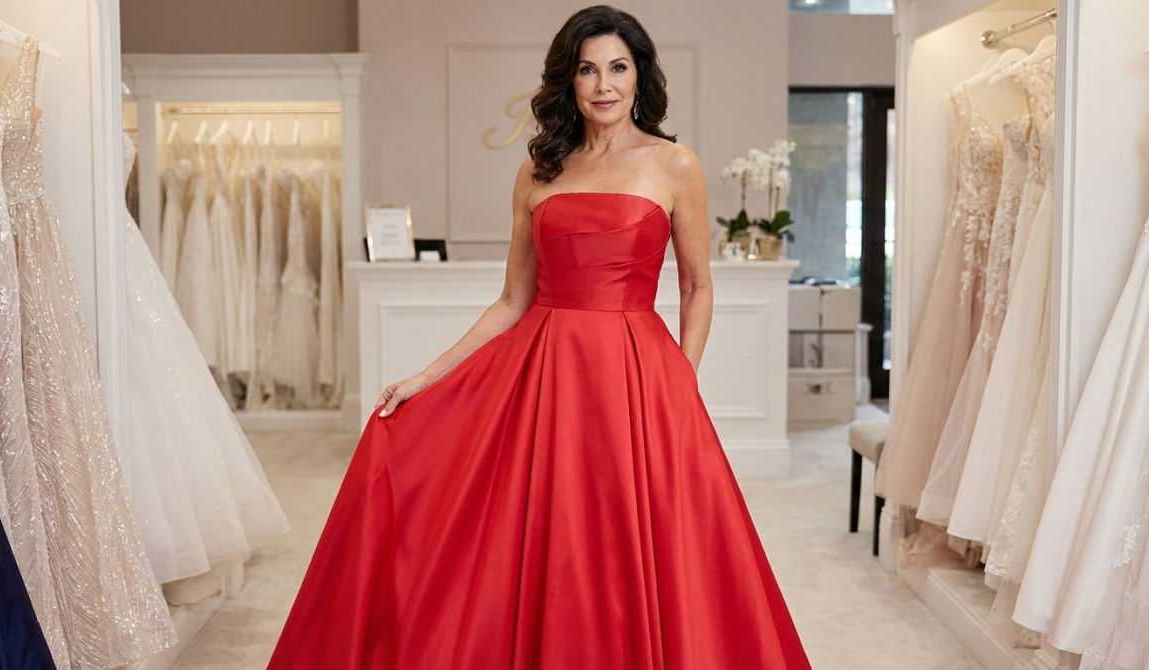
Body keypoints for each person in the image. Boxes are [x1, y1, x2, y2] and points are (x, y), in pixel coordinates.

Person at [268, 6, 811, 668]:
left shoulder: (676, 165)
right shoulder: (538, 170)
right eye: (588, 70)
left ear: (640, 77)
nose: (604, 85)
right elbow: (512, 299)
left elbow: (698, 287)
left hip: (639, 379)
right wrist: (425, 377)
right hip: (548, 372)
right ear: (570, 81)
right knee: (538, 537)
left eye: (618, 67)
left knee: (648, 543)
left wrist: (680, 384)